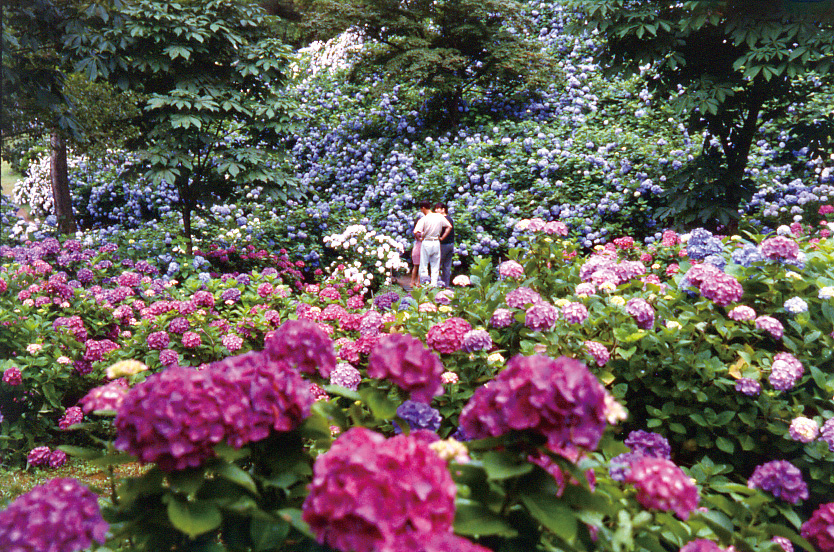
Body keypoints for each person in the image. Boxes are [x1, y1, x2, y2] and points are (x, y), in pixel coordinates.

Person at [413, 200, 451, 287]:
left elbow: (415, 231)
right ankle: (434, 285)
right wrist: (442, 237)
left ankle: (425, 285)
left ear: (423, 208)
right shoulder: (439, 216)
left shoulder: (423, 219)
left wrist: (420, 238)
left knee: (424, 265)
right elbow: (449, 226)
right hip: (436, 242)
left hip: (426, 242)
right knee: (435, 265)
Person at [434, 202, 454, 287]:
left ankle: (436, 284)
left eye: (438, 208)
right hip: (450, 244)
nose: (436, 210)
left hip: (444, 244)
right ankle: (446, 284)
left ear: (443, 209)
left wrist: (441, 238)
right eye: (435, 208)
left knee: (437, 264)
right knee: (447, 266)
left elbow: (447, 229)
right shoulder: (450, 218)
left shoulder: (443, 219)